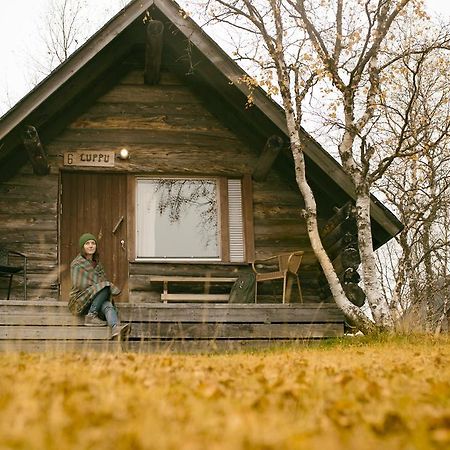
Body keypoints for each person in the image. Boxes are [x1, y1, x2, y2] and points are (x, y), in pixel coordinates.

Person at [68, 233, 129, 339]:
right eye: (87, 243)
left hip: (95, 301)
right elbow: (79, 284)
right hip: (79, 301)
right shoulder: (76, 264)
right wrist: (99, 286)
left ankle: (115, 329)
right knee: (105, 286)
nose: (91, 246)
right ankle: (91, 315)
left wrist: (99, 287)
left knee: (107, 305)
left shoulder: (98, 264)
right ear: (83, 247)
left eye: (93, 243)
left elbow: (102, 282)